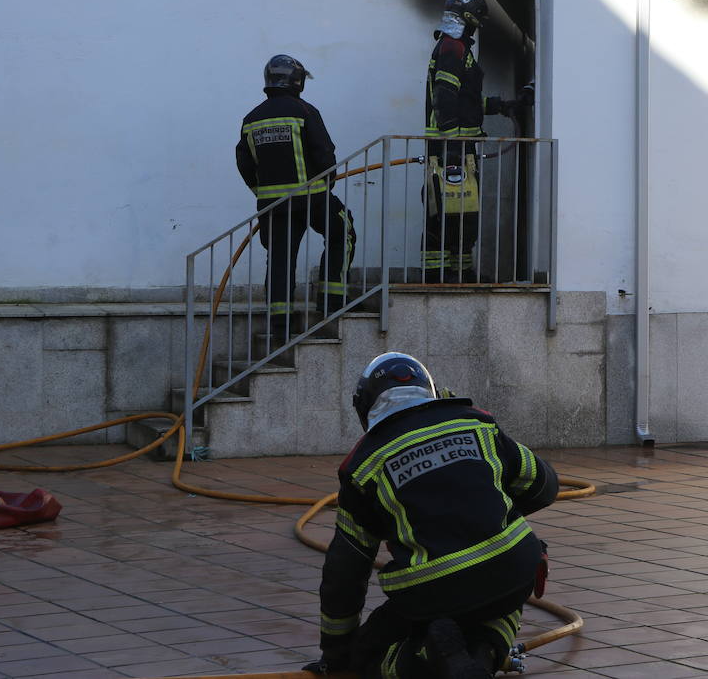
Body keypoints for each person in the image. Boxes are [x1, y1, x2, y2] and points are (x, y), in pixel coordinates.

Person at [314, 352, 558, 679]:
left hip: (431, 595)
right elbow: (543, 485)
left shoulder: (362, 467)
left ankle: (429, 659)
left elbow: (345, 571)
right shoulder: (476, 422)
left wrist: (337, 653)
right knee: (506, 584)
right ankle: (481, 657)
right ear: (429, 390)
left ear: (365, 407)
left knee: (366, 655)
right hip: (513, 572)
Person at [236, 54, 356, 346]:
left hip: (274, 206)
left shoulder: (252, 118)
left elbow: (243, 162)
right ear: (297, 81)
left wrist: (262, 193)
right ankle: (331, 302)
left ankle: (280, 324)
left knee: (280, 259)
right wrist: (327, 183)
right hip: (312, 198)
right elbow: (324, 153)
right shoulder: (304, 111)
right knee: (343, 232)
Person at [422, 0, 533, 284]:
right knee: (445, 214)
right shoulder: (452, 48)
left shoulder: (456, 48)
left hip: (457, 147)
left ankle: (459, 272)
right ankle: (437, 275)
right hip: (451, 149)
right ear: (469, 17)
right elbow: (445, 96)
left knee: (463, 214)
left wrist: (501, 106)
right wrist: (453, 141)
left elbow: (464, 101)